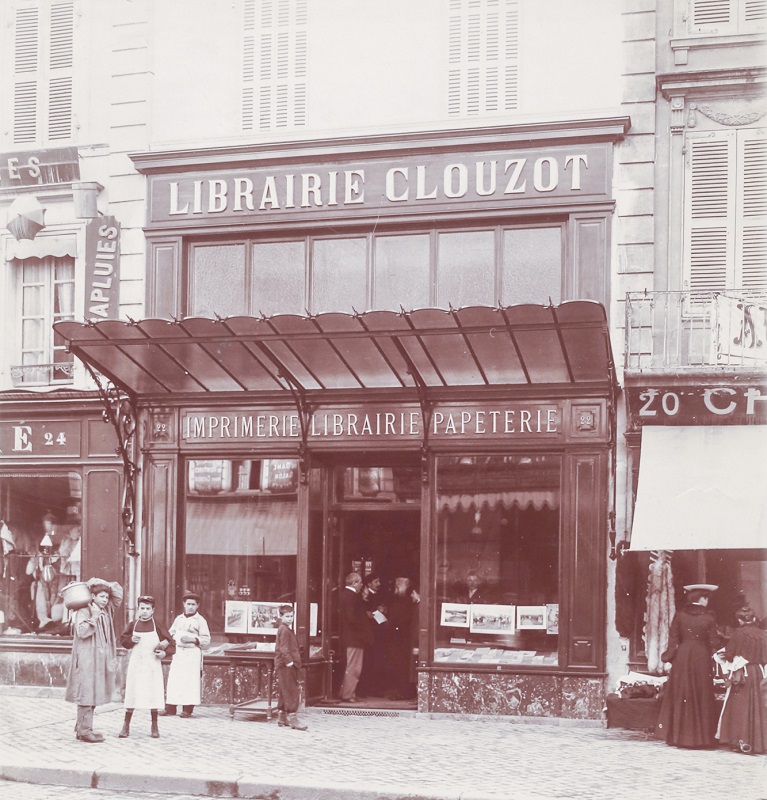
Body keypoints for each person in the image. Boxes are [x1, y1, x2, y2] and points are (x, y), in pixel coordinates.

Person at [656, 583, 719, 749]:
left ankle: (678, 737)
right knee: (702, 694)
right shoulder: (710, 618)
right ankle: (702, 739)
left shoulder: (680, 616)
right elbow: (714, 642)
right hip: (701, 657)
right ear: (701, 598)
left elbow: (673, 640)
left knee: (682, 693)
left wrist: (667, 657)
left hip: (682, 657)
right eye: (706, 598)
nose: (707, 601)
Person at [65, 577, 124, 743]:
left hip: (101, 658)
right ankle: (85, 731)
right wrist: (94, 617)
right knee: (87, 692)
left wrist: (101, 582)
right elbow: (82, 632)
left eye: (106, 597)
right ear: (92, 597)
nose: (105, 600)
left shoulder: (108, 609)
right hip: (87, 658)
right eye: (101, 597)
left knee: (95, 691)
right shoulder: (84, 611)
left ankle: (82, 728)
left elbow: (118, 593)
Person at [118, 595, 175, 739]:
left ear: (153, 610)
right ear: (138, 609)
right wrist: (131, 640)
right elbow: (123, 641)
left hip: (151, 665)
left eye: (147, 609)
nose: (144, 611)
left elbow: (171, 642)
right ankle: (126, 725)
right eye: (142, 608)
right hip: (137, 663)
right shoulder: (133, 625)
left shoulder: (158, 625)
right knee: (132, 693)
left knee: (153, 693)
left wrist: (164, 653)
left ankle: (154, 725)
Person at [717, 606, 767, 754]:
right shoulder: (763, 635)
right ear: (753, 619)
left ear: (740, 620)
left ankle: (740, 740)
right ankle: (759, 743)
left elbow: (730, 654)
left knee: (740, 707)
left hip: (742, 674)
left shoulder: (738, 634)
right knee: (758, 707)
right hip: (757, 672)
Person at [162, 591, 211, 718]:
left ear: (197, 606)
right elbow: (170, 633)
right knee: (175, 679)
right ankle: (170, 708)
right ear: (184, 604)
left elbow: (206, 640)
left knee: (190, 681)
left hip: (192, 654)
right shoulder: (179, 619)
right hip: (179, 653)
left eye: (193, 604)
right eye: (188, 604)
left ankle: (187, 710)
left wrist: (193, 640)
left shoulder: (200, 620)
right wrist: (174, 637)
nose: (190, 607)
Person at [338, 572, 372, 703]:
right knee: (354, 667)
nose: (362, 585)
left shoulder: (343, 594)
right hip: (355, 638)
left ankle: (344, 692)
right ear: (354, 583)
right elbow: (352, 618)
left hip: (348, 637)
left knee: (349, 665)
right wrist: (363, 629)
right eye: (360, 582)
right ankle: (348, 694)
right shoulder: (353, 597)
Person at [274, 604, 307, 730]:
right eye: (287, 616)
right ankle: (293, 718)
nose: (290, 619)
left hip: (284, 664)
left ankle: (282, 717)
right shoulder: (284, 630)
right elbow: (284, 648)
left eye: (292, 616)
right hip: (286, 665)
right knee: (291, 690)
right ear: (280, 616)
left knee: (284, 689)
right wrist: (290, 663)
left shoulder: (285, 629)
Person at [386, 577, 420, 700]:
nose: (396, 585)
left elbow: (405, 619)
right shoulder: (398, 599)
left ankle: (405, 692)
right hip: (397, 639)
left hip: (404, 640)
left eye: (398, 584)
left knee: (404, 666)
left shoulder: (407, 601)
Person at [357, 574, 388, 697]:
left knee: (378, 661)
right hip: (368, 633)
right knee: (367, 662)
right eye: (376, 581)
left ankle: (376, 689)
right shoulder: (362, 596)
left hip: (379, 633)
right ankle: (364, 690)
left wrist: (384, 609)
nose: (379, 583)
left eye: (379, 580)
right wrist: (366, 614)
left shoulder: (382, 595)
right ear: (369, 584)